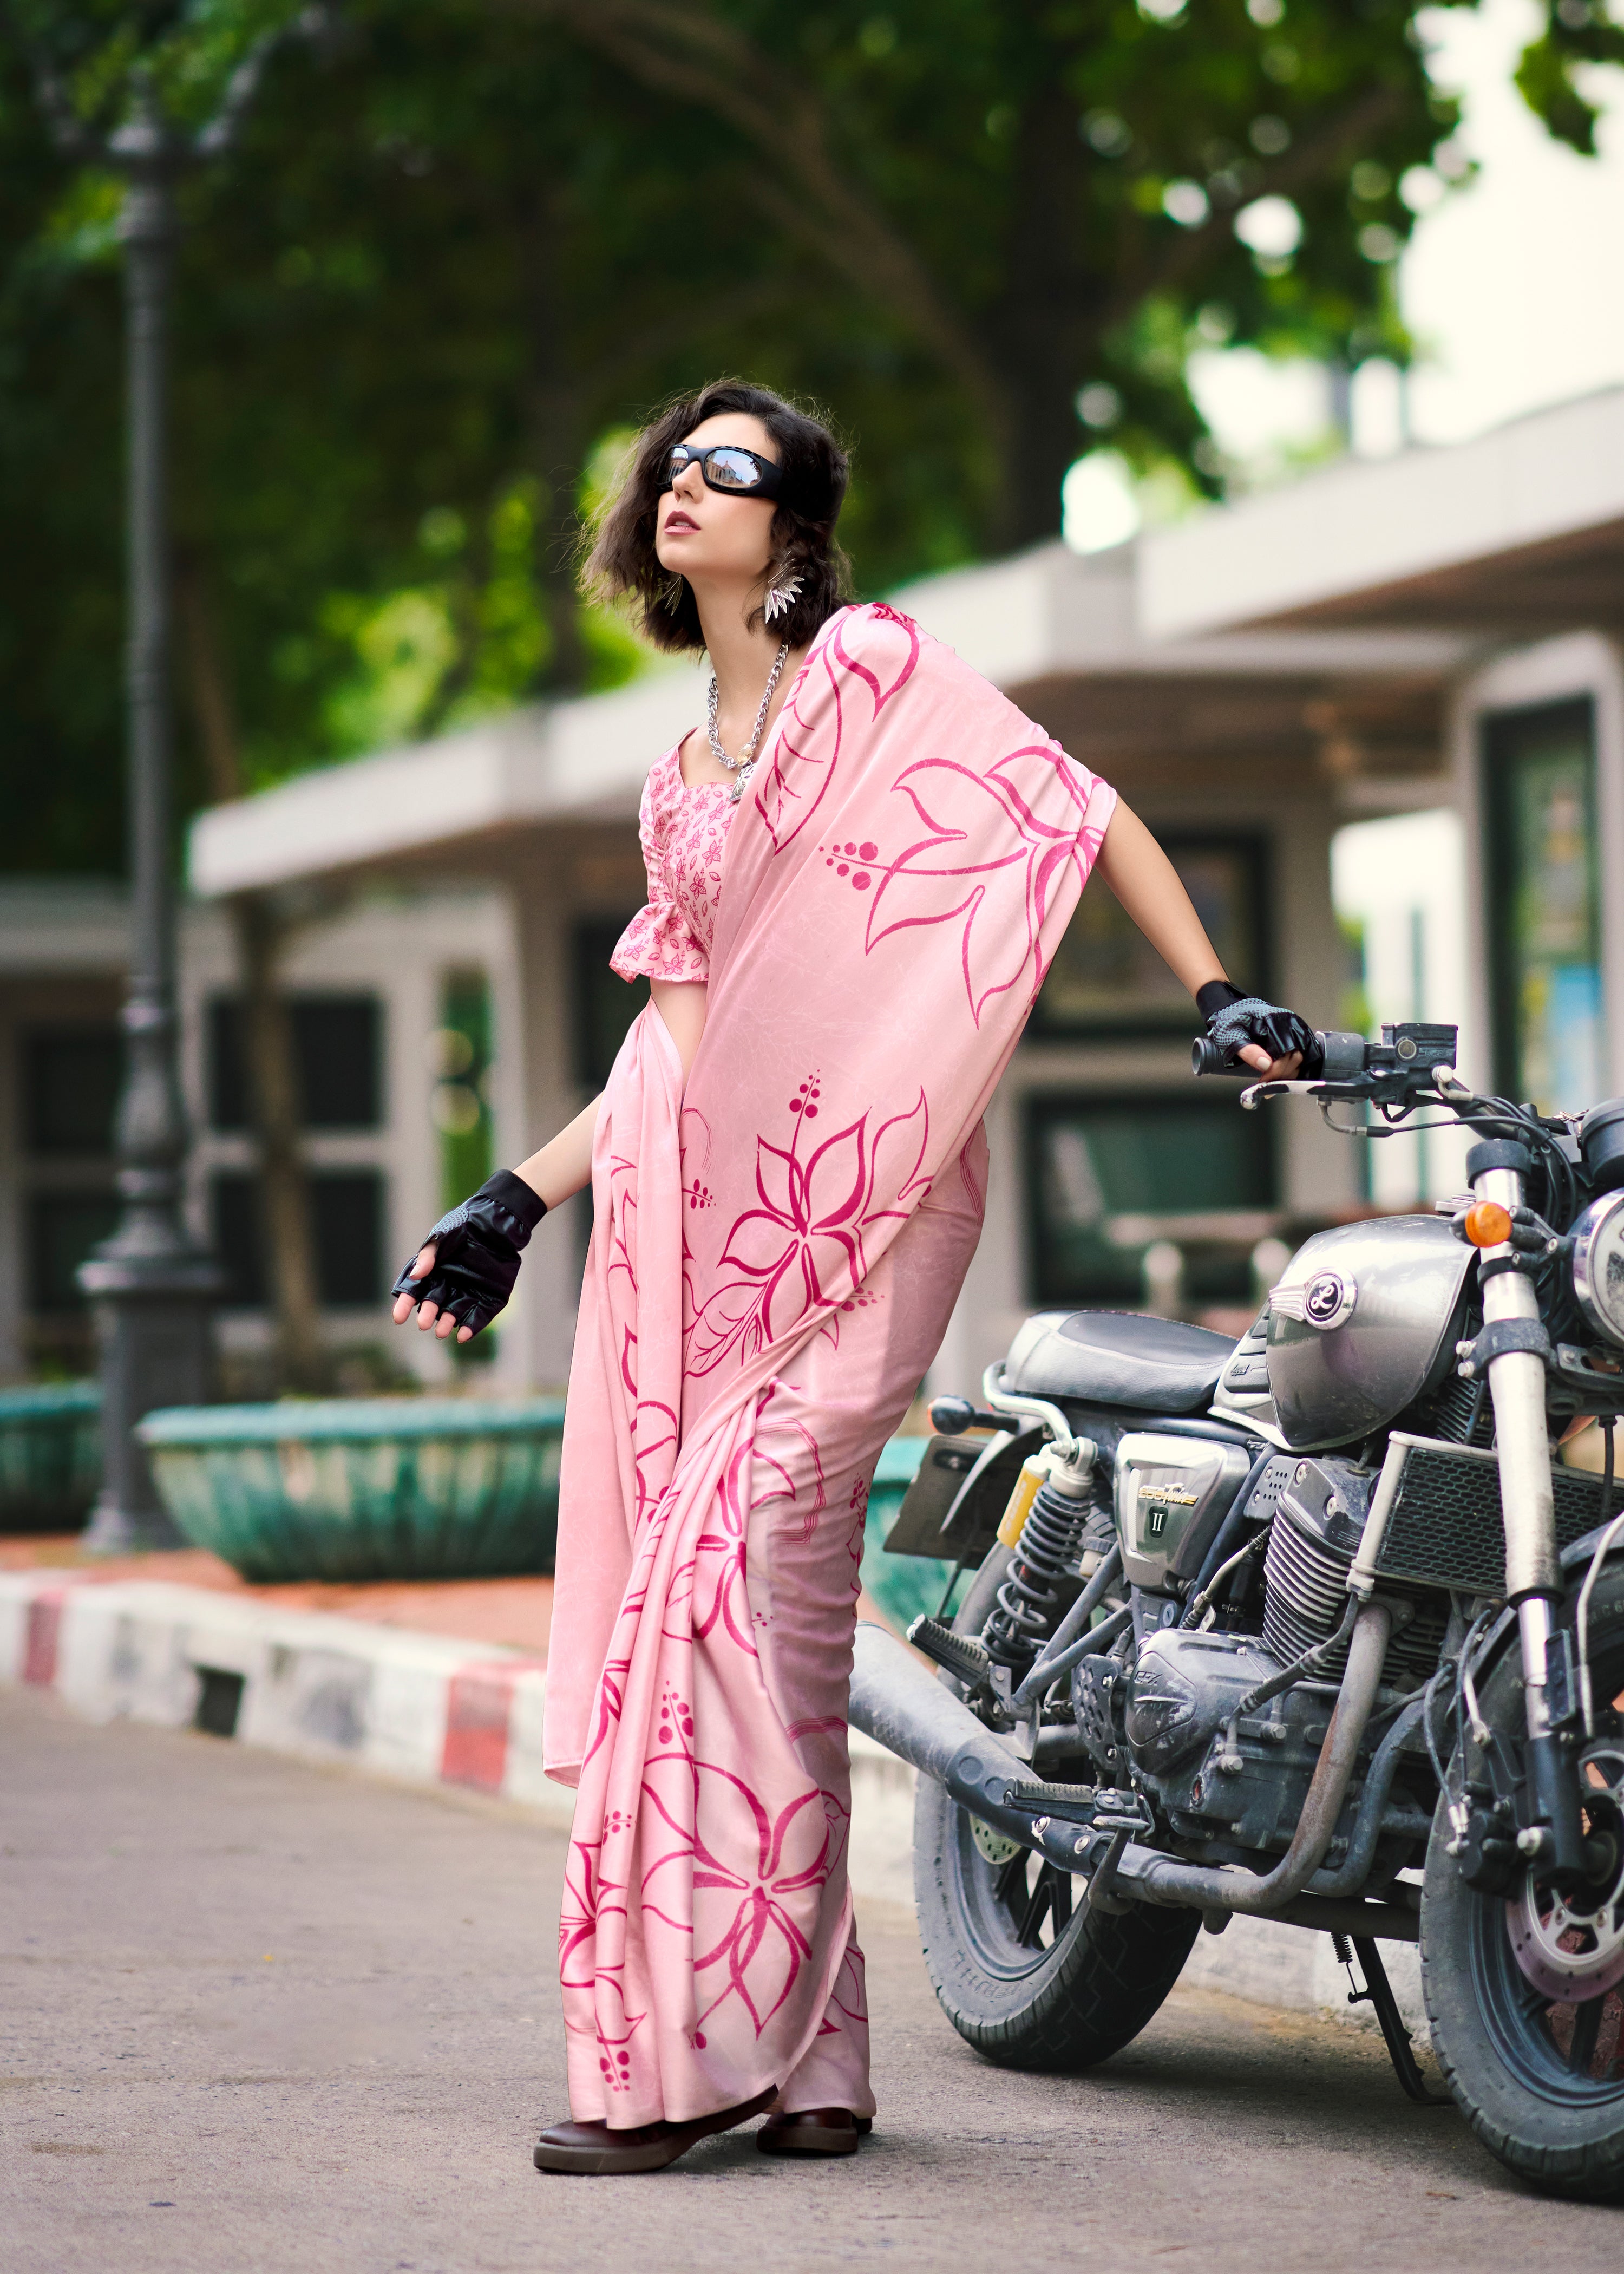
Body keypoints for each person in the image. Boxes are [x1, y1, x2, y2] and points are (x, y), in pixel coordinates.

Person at [391, 380, 1314, 2176]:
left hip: (864, 1207)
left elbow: (1076, 808)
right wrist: (514, 1199)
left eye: (727, 467)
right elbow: (673, 1048)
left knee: (733, 1593)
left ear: (796, 516)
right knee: (737, 1637)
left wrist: (1216, 994)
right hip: (680, 1221)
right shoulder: (679, 781)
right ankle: (810, 2064)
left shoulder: (875, 676)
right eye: (672, 463)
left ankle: (699, 2055)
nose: (684, 486)